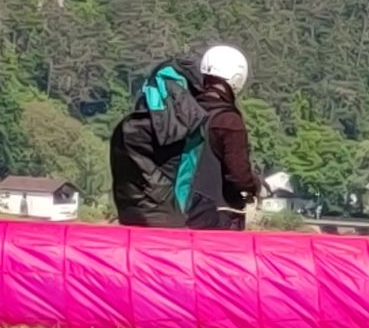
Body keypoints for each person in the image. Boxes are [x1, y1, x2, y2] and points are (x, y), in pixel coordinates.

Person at [110, 43, 261, 229]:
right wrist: (255, 186)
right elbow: (239, 178)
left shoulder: (184, 113)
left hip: (182, 215)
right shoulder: (228, 121)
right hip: (215, 219)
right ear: (238, 78)